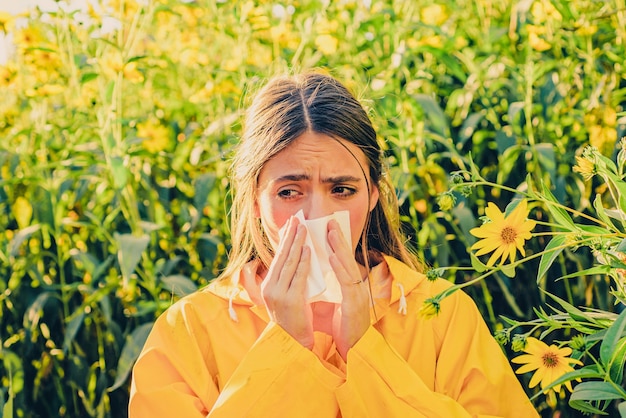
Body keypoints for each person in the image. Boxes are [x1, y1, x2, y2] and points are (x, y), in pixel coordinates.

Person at [128, 71, 539, 417]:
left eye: (342, 189)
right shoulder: (188, 331)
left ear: (373, 196)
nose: (317, 217)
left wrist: (366, 351)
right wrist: (284, 347)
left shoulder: (441, 314)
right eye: (289, 192)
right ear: (254, 199)